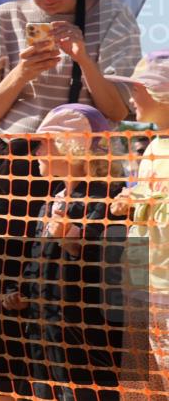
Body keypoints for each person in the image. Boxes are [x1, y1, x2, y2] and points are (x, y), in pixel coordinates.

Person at [0, 0, 140, 400]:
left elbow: (120, 111)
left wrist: (84, 60)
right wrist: (22, 71)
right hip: (18, 168)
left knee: (80, 295)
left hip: (87, 172)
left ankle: (89, 390)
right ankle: (22, 389)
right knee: (10, 290)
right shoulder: (2, 20)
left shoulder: (113, 18)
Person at [1, 104, 126, 401]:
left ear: (70, 146)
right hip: (43, 330)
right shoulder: (49, 203)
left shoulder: (107, 195)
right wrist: (20, 294)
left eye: (42, 145)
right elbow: (37, 262)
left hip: (84, 335)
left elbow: (88, 251)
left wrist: (66, 234)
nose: (35, 155)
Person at [107, 51, 169, 396]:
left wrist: (150, 202)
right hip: (143, 287)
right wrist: (130, 204)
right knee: (145, 383)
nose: (130, 101)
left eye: (138, 91)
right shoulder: (152, 150)